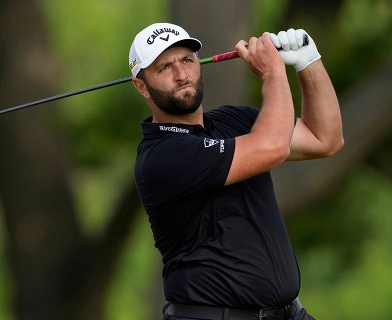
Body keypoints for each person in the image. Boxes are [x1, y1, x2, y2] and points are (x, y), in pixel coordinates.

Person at [129, 22, 343, 320]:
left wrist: (309, 61)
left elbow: (325, 139)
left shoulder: (233, 120)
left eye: (187, 61)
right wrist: (272, 72)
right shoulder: (161, 156)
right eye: (164, 67)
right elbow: (272, 148)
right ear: (141, 86)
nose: (181, 75)